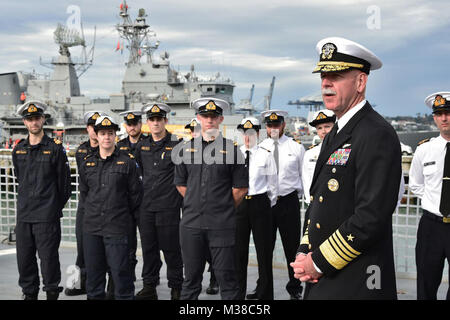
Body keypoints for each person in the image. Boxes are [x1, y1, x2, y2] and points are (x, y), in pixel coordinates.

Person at [291, 37, 402, 300]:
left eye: (337, 76)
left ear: (361, 82)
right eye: (323, 76)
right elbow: (318, 201)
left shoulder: (376, 134)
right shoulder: (335, 133)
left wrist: (317, 263)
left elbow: (370, 217)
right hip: (324, 276)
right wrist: (304, 252)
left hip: (357, 282)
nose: (326, 83)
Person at [174, 97, 248, 300]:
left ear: (221, 119)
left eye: (213, 117)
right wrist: (197, 202)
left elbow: (240, 188)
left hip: (221, 225)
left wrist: (220, 207)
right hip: (191, 225)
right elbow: (181, 184)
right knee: (190, 280)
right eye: (205, 116)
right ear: (198, 118)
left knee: (228, 279)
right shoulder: (184, 150)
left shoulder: (233, 151)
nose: (209, 121)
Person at [79, 115, 143, 300]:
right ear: (96, 136)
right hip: (92, 229)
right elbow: (85, 194)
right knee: (94, 278)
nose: (106, 137)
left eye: (110, 133)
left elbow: (136, 196)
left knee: (122, 277)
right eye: (102, 133)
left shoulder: (127, 162)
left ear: (115, 135)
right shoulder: (87, 163)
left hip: (117, 228)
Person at [12, 101, 71, 300]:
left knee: (49, 261)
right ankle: (29, 294)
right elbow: (20, 178)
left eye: (37, 118)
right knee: (25, 260)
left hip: (46, 217)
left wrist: (53, 208)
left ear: (43, 120)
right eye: (30, 119)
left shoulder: (55, 149)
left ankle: (52, 293)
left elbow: (65, 185)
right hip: (25, 216)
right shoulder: (18, 150)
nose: (34, 122)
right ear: (25, 122)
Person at [134, 103, 184, 300]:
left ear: (165, 121)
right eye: (152, 120)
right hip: (146, 208)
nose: (155, 123)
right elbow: (137, 173)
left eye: (159, 119)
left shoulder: (177, 145)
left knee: (172, 249)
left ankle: (176, 287)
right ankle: (149, 286)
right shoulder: (142, 145)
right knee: (148, 249)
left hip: (168, 207)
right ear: (148, 122)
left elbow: (183, 176)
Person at [257, 109, 305, 300]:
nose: (273, 128)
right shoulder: (259, 148)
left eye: (277, 125)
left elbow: (304, 176)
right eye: (270, 125)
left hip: (288, 202)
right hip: (265, 204)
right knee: (264, 249)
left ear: (283, 125)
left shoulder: (297, 148)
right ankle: (264, 289)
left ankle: (295, 289)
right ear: (266, 127)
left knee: (292, 249)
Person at [410, 92, 450, 300]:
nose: (444, 118)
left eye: (448, 113)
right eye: (439, 113)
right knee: (426, 282)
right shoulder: (424, 149)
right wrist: (434, 202)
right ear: (434, 117)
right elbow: (416, 185)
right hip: (431, 225)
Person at [65, 111, 107, 296]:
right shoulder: (81, 151)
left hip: (106, 205)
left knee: (106, 248)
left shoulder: (109, 150)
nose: (93, 130)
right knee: (82, 245)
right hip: (85, 204)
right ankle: (78, 282)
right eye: (91, 126)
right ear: (88, 129)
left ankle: (107, 286)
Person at [235, 117, 277, 300]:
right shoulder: (235, 155)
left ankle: (265, 294)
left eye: (251, 133)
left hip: (260, 204)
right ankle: (238, 292)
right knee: (239, 252)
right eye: (245, 133)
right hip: (240, 204)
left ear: (257, 134)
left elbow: (273, 185)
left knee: (263, 251)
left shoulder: (266, 154)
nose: (248, 136)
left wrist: (268, 204)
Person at [185, 118, 219, 295]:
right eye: (192, 130)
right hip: (192, 211)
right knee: (193, 253)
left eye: (197, 130)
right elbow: (180, 182)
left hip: (214, 212)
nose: (195, 133)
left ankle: (215, 280)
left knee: (213, 249)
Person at [117, 110, 146, 286]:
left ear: (140, 124)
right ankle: (130, 273)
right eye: (129, 124)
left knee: (150, 242)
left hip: (145, 200)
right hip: (126, 202)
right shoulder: (119, 146)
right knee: (127, 241)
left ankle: (151, 278)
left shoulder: (148, 143)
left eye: (135, 123)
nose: (132, 127)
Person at [302, 110, 336, 205]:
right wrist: (310, 203)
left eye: (327, 127)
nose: (323, 131)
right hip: (316, 205)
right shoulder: (310, 154)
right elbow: (307, 180)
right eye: (319, 128)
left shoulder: (344, 150)